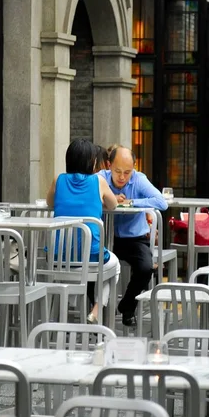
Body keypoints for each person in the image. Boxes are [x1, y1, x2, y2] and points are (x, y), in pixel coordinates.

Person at [46, 138, 120, 324]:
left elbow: (49, 203)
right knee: (115, 265)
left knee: (74, 270)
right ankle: (96, 310)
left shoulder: (59, 179)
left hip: (58, 258)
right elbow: (114, 204)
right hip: (91, 257)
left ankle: (71, 307)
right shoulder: (99, 181)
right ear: (92, 162)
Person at [99, 146, 168, 326]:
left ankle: (127, 306)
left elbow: (161, 202)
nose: (122, 177)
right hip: (107, 238)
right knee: (92, 267)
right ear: (109, 165)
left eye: (127, 172)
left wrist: (132, 202)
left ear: (134, 168)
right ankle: (97, 312)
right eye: (117, 171)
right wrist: (111, 198)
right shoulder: (101, 178)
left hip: (134, 239)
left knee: (146, 268)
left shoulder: (139, 179)